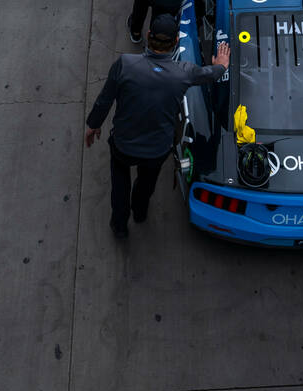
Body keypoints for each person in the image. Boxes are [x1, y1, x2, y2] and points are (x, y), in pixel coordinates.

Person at [85, 14, 230, 238]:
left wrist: (94, 125)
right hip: (156, 149)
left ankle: (120, 225)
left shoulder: (125, 64)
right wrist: (220, 65)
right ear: (174, 43)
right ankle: (140, 212)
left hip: (123, 144)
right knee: (146, 182)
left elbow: (105, 99)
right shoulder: (184, 72)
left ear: (149, 35)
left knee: (119, 183)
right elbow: (209, 74)